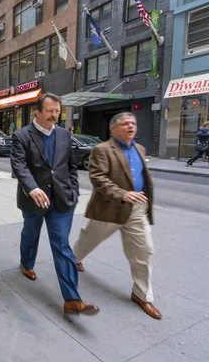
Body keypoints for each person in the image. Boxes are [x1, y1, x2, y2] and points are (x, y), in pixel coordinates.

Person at [10, 93, 99, 316]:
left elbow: (71, 167)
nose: (54, 115)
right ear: (37, 112)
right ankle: (26, 263)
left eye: (57, 111)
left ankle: (72, 299)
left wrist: (74, 191)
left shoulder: (64, 135)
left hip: (61, 199)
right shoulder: (21, 136)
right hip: (34, 198)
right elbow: (19, 166)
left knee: (62, 245)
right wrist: (33, 188)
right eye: (50, 111)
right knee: (31, 233)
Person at [73, 112, 161, 319]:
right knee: (88, 239)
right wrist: (122, 194)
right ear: (113, 129)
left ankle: (142, 295)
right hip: (109, 209)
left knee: (144, 251)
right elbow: (98, 178)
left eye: (134, 123)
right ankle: (74, 259)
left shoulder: (140, 149)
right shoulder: (101, 149)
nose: (131, 126)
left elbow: (140, 176)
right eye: (125, 123)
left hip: (137, 209)